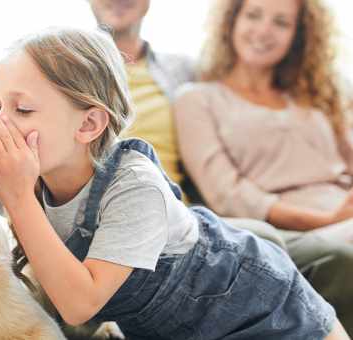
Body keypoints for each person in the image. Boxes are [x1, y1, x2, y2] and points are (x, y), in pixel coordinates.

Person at [0, 26, 348, 339]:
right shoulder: (26, 174)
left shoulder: (134, 185)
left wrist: (18, 198)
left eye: (23, 110)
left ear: (89, 125)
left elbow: (79, 304)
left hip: (260, 309)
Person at [91, 0, 353, 334]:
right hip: (299, 221)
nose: (263, 30)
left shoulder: (319, 92)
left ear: (299, 34)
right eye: (254, 15)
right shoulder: (198, 96)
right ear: (230, 22)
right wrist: (330, 220)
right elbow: (228, 193)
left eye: (282, 23)